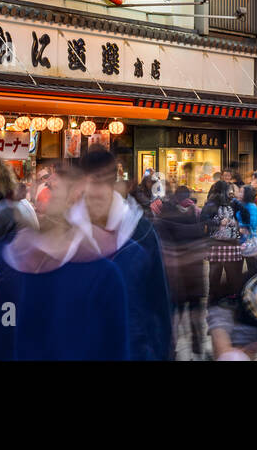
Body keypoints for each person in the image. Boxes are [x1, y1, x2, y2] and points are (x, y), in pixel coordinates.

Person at [0, 162, 131, 360]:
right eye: (38, 199)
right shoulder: (19, 263)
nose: (39, 207)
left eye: (53, 191)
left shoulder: (104, 273)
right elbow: (4, 338)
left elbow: (115, 347)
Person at [67, 148, 173, 360]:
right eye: (92, 182)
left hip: (132, 348)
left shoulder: (141, 232)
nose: (97, 192)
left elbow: (158, 300)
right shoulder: (65, 230)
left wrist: (160, 351)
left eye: (103, 182)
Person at [155, 186, 207, 358]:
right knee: (195, 317)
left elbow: (163, 246)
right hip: (194, 273)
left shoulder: (166, 216)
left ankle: (171, 350)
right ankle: (198, 349)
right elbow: (202, 241)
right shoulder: (197, 214)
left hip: (175, 274)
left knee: (174, 317)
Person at [201, 179, 246, 304]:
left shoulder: (230, 203)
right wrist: (219, 222)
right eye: (229, 190)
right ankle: (222, 296)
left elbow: (244, 213)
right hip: (221, 241)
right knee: (221, 272)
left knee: (225, 272)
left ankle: (223, 295)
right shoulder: (213, 204)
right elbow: (203, 220)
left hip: (223, 242)